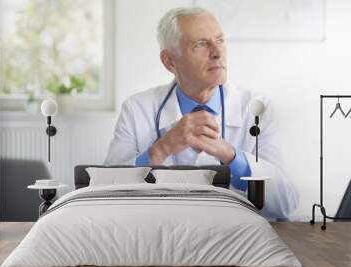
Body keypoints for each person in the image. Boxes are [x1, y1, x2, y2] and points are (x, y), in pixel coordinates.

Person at [104, 7, 299, 219]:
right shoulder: (136, 109)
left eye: (220, 40)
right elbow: (104, 193)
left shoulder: (257, 108)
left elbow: (286, 203)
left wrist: (232, 158)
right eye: (201, 44)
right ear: (169, 61)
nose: (217, 52)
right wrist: (161, 149)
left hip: (235, 238)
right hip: (161, 234)